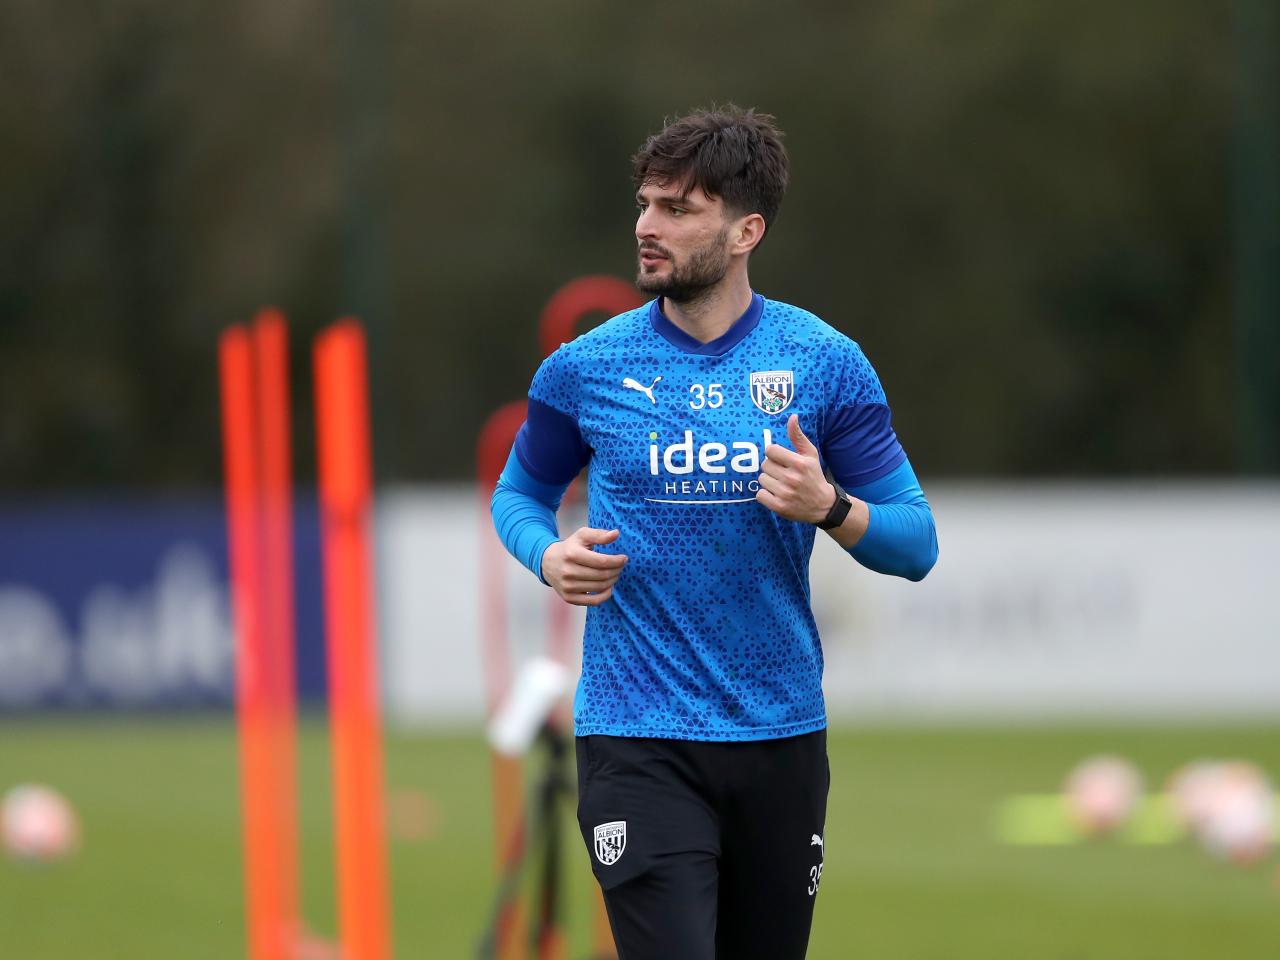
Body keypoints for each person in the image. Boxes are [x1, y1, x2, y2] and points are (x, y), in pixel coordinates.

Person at [490, 105, 938, 960]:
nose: (647, 228)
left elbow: (916, 544)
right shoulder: (586, 368)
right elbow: (518, 494)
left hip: (781, 737)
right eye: (645, 204)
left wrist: (831, 508)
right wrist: (547, 554)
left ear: (746, 231)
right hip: (636, 735)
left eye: (678, 209)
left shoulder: (823, 360)